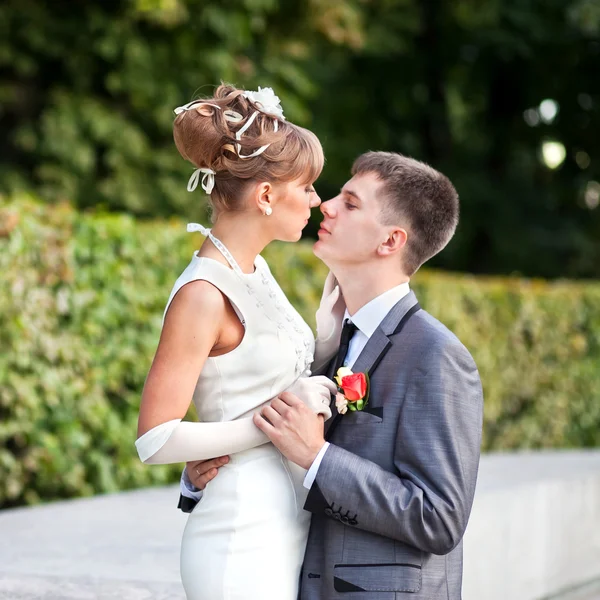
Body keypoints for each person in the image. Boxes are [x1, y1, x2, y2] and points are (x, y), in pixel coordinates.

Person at [183, 151, 484, 599]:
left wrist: (318, 456)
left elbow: (438, 518)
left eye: (351, 202)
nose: (326, 205)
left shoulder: (435, 355)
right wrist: (206, 468)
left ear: (390, 241)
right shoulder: (330, 339)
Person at [135, 84, 345, 600]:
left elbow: (260, 378)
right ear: (267, 195)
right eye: (309, 186)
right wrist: (272, 425)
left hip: (284, 522)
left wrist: (327, 333)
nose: (318, 200)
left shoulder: (255, 267)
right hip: (239, 537)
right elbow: (155, 438)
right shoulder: (204, 292)